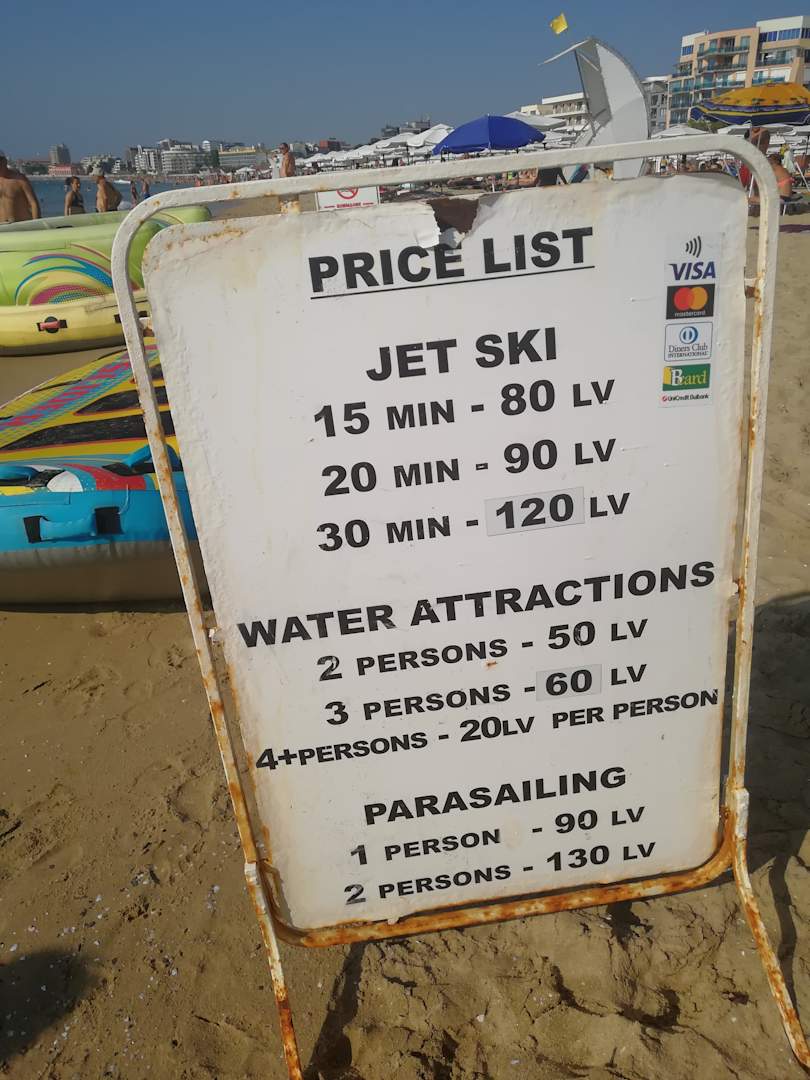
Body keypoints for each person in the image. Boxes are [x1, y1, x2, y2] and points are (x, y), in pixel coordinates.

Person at [0, 150, 41, 223]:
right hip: (2, 227)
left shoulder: (19, 179)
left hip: (21, 225)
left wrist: (36, 223)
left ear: (5, 161)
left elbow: (33, 203)